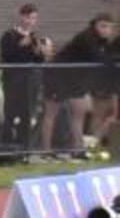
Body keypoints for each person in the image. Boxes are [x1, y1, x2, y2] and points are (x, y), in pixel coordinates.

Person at [43, 13, 115, 157]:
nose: (107, 30)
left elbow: (109, 56)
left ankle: (78, 149)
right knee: (51, 113)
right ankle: (45, 151)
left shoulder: (103, 41)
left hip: (75, 78)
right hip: (58, 75)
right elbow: (99, 59)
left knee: (79, 112)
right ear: (95, 25)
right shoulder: (87, 37)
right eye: (103, 26)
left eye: (110, 27)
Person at [0, 4, 51, 148]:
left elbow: (38, 61)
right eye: (27, 17)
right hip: (12, 81)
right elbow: (7, 56)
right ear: (21, 17)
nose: (30, 21)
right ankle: (6, 145)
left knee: (27, 114)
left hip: (30, 82)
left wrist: (40, 52)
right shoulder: (9, 35)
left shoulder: (35, 37)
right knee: (10, 113)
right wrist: (21, 45)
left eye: (33, 18)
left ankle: (25, 147)